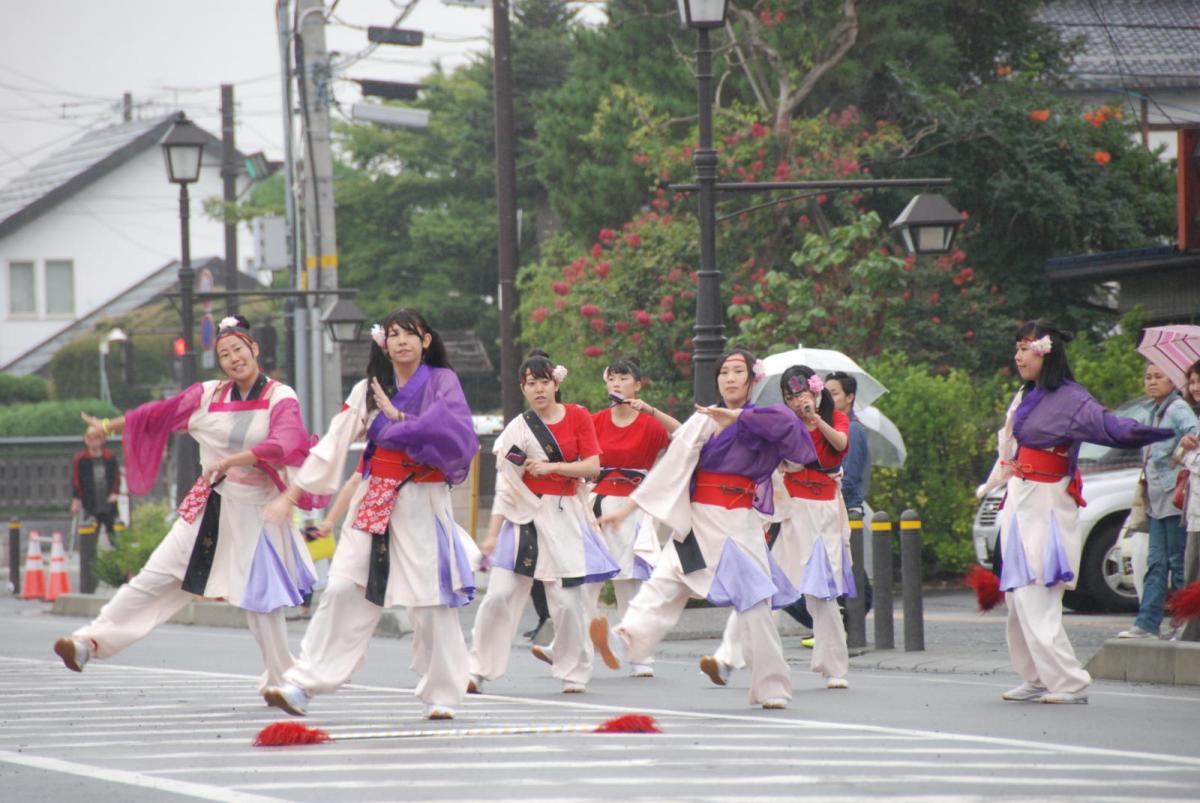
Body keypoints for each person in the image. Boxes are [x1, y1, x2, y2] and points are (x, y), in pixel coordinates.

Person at [54, 316, 321, 691]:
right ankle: (89, 641)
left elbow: (285, 441)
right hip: (209, 507)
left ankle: (284, 680)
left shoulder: (281, 395)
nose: (233, 358)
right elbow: (157, 414)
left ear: (254, 349)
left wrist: (233, 460)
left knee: (262, 603)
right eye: (224, 353)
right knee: (154, 577)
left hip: (259, 512)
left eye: (239, 350)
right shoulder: (208, 394)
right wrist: (108, 426)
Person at [261, 309, 480, 721]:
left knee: (433, 602)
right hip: (374, 497)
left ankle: (443, 692)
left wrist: (400, 422)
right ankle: (305, 683)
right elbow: (333, 442)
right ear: (383, 344)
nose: (401, 342)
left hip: (422, 497)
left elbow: (456, 434)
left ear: (426, 341)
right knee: (344, 589)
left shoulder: (442, 382)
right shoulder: (367, 390)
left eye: (410, 334)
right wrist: (293, 494)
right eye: (393, 335)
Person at [590, 348, 817, 709]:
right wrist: (629, 507)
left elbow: (797, 444)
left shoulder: (765, 418)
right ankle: (622, 641)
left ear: (752, 379)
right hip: (696, 522)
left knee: (756, 608)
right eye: (724, 372)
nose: (729, 378)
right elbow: (671, 468)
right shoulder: (702, 421)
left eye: (737, 371)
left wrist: (739, 419)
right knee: (661, 586)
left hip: (737, 523)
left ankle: (772, 686)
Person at [976, 320, 1173, 704]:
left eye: (1025, 348)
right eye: (1016, 348)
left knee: (1037, 593)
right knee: (1017, 596)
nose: (1018, 356)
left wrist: (1159, 432)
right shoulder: (1025, 394)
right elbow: (1010, 451)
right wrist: (992, 484)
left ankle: (1069, 681)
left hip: (1047, 504)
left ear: (1046, 353)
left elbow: (1112, 427)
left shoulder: (1070, 398)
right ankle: (1035, 676)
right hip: (1020, 499)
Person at [470, 350, 620, 695]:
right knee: (499, 595)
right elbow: (506, 487)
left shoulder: (578, 416)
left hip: (566, 513)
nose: (537, 389)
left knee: (567, 602)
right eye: (530, 383)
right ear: (523, 388)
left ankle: (573, 671)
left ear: (556, 383)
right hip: (523, 519)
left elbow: (593, 466)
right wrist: (491, 537)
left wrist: (553, 468)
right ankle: (476, 669)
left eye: (543, 382)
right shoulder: (516, 429)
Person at [708, 365, 853, 690]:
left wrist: (815, 419)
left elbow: (841, 444)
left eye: (802, 393)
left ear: (815, 392)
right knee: (760, 588)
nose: (797, 401)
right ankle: (727, 658)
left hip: (825, 515)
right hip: (790, 515)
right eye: (790, 397)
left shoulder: (835, 418)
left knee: (823, 595)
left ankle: (833, 666)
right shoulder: (781, 426)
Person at [537, 356, 678, 678]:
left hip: (632, 504)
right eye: (612, 378)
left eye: (624, 378)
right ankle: (564, 645)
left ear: (637, 385)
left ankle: (639, 654)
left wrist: (651, 411)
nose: (616, 383)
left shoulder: (649, 424)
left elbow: (685, 437)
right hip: (595, 501)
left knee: (631, 581)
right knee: (586, 579)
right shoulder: (596, 420)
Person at [1118, 362, 1198, 640]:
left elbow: (1194, 437)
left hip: (1173, 497)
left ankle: (1181, 622)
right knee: (1157, 562)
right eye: (1148, 377)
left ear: (1173, 382)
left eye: (1158, 377)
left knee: (1176, 562)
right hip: (1156, 499)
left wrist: (1181, 447)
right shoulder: (1153, 412)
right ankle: (1147, 623)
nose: (1151, 382)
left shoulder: (1177, 409)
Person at [1176, 359, 1200, 642]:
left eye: (1198, 381)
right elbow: (1178, 461)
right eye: (1192, 381)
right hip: (1194, 512)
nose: (1195, 387)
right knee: (1192, 572)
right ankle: (1191, 630)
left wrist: (1190, 454)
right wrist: (1184, 447)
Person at [70, 426, 122, 546]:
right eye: (91, 439)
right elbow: (76, 480)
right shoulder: (81, 459)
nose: (94, 442)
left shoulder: (109, 457)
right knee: (90, 535)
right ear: (86, 440)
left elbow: (116, 477)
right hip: (90, 502)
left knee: (114, 535)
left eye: (97, 439)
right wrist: (76, 499)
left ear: (102, 440)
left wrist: (115, 492)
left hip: (108, 501)